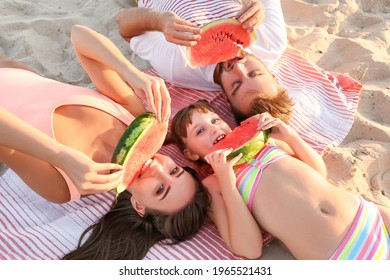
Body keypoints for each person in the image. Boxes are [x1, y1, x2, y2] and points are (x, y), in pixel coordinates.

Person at [0, 26, 211, 259]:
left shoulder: (63, 186)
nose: (158, 168)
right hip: (14, 70)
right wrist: (130, 73)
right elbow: (79, 36)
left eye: (160, 189)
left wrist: (58, 155)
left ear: (139, 207)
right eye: (174, 170)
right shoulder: (133, 119)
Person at [170, 100, 390, 259]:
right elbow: (250, 249)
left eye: (215, 120)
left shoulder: (268, 143)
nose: (213, 128)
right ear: (191, 154)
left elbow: (318, 173)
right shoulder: (214, 185)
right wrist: (227, 182)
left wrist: (290, 136)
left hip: (372, 216)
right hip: (338, 256)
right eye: (200, 131)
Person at [116, 0, 292, 123]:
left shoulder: (179, 64)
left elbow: (123, 22)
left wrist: (159, 21)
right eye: (254, 73)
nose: (237, 67)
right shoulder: (272, 42)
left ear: (227, 98)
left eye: (236, 85)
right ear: (272, 74)